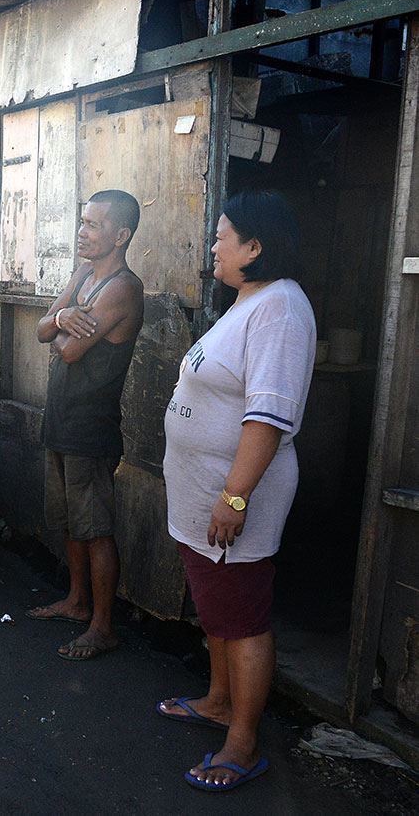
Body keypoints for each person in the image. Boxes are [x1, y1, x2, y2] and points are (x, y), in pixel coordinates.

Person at [156, 190, 314, 792]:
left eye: (222, 236)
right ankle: (220, 701)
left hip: (235, 497)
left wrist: (235, 497)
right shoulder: (248, 303)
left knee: (243, 615)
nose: (213, 245)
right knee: (217, 604)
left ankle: (242, 743)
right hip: (203, 493)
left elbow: (267, 417)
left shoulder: (281, 309)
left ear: (255, 247)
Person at [27, 189, 145, 661]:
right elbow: (41, 329)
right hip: (62, 419)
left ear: (121, 235)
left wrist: (60, 325)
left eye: (94, 225)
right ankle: (77, 602)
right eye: (82, 222)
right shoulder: (83, 275)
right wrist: (62, 316)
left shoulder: (122, 287)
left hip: (91, 427)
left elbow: (68, 350)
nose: (82, 232)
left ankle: (102, 626)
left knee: (96, 528)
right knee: (71, 523)